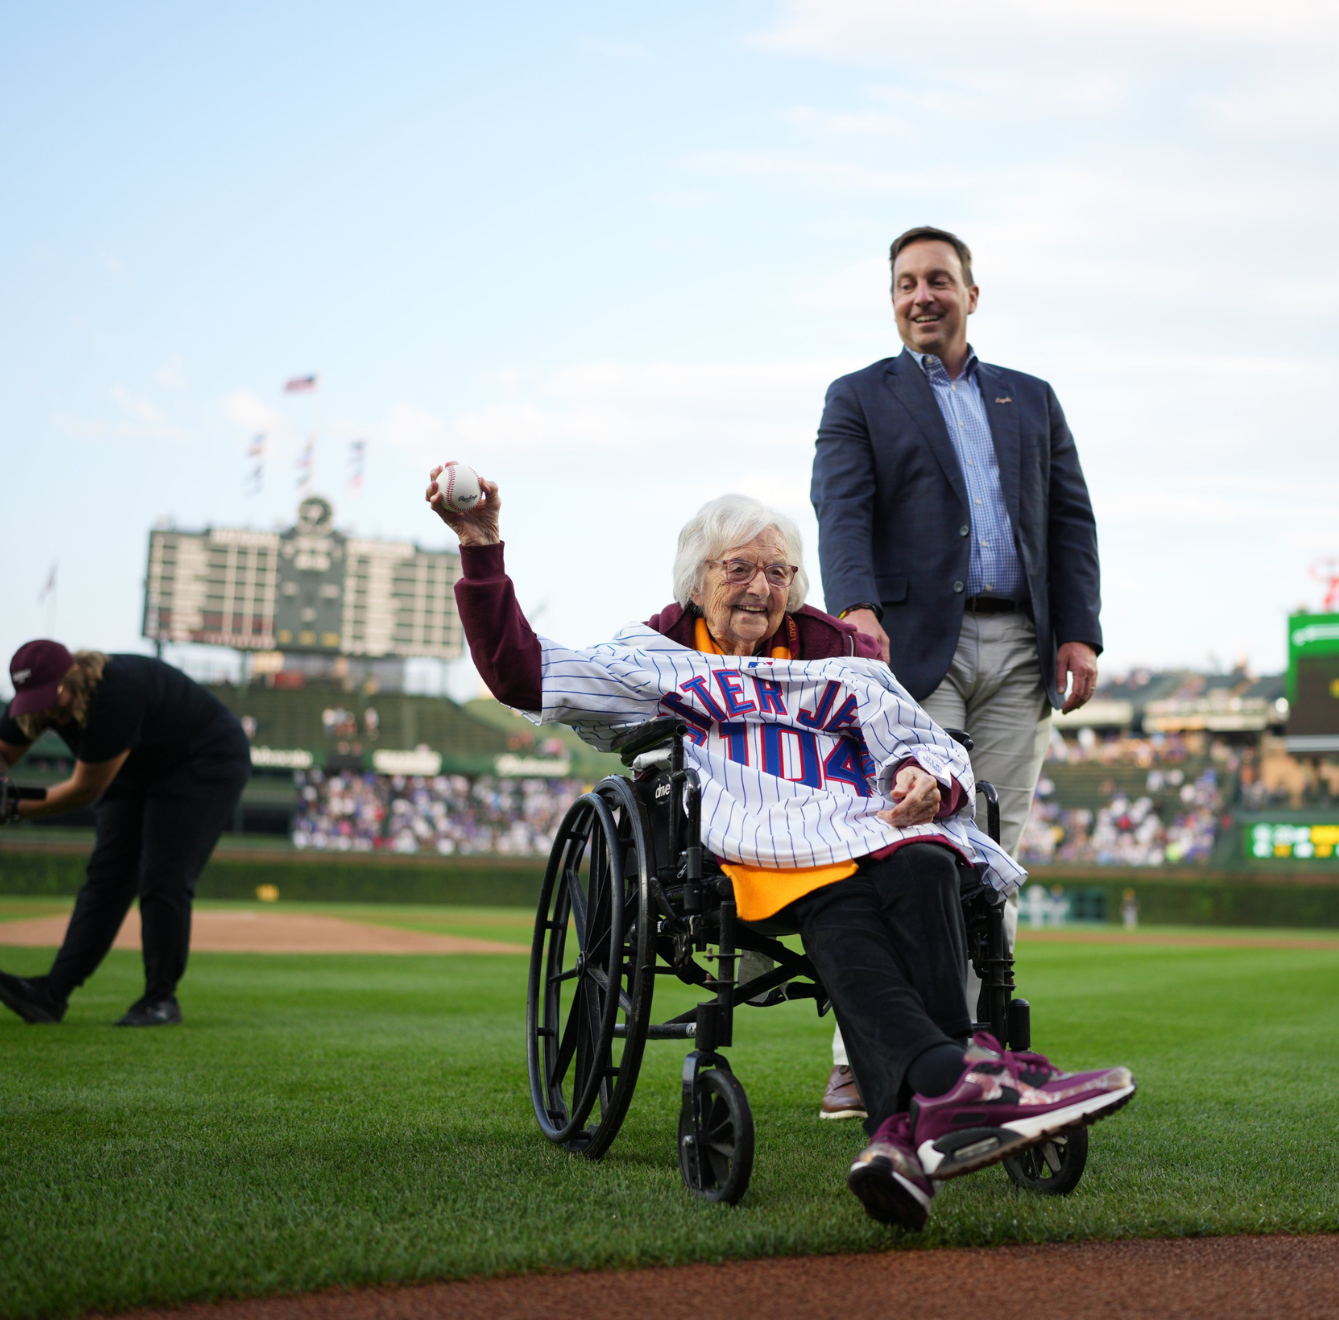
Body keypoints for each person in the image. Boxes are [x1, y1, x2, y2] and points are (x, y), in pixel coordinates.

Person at [429, 468, 1134, 1231]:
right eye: (738, 568)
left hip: (871, 826)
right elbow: (522, 671)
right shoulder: (656, 661)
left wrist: (926, 780)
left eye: (778, 571)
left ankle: (902, 1134)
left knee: (932, 859)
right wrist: (481, 547)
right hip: (761, 841)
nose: (759, 587)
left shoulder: (846, 665)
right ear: (697, 582)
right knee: (837, 899)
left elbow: (927, 743)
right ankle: (960, 1078)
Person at [808, 224, 1104, 1117]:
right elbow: (841, 509)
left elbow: (1070, 521)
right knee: (916, 850)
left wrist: (1079, 632)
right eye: (905, 284)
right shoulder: (859, 397)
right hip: (910, 652)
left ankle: (978, 1056)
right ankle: (864, 1061)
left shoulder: (1032, 399)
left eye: (939, 279)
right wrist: (854, 608)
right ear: (892, 300)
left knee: (996, 860)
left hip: (1021, 650)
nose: (921, 295)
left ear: (973, 294)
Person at [0, 642, 252, 1026]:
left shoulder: (114, 694)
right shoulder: (37, 699)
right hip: (137, 766)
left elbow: (83, 790)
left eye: (52, 696)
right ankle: (51, 994)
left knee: (162, 878)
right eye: (35, 701)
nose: (47, 709)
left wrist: (10, 806)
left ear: (73, 674)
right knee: (107, 876)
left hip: (203, 759)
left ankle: (160, 1001)